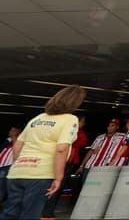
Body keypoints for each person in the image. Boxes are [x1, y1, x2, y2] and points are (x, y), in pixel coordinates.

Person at [2, 85, 84, 220]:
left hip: (17, 172)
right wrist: (58, 178)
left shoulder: (38, 118)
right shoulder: (70, 119)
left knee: (10, 213)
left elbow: (17, 145)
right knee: (30, 214)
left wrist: (19, 164)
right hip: (40, 174)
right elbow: (61, 148)